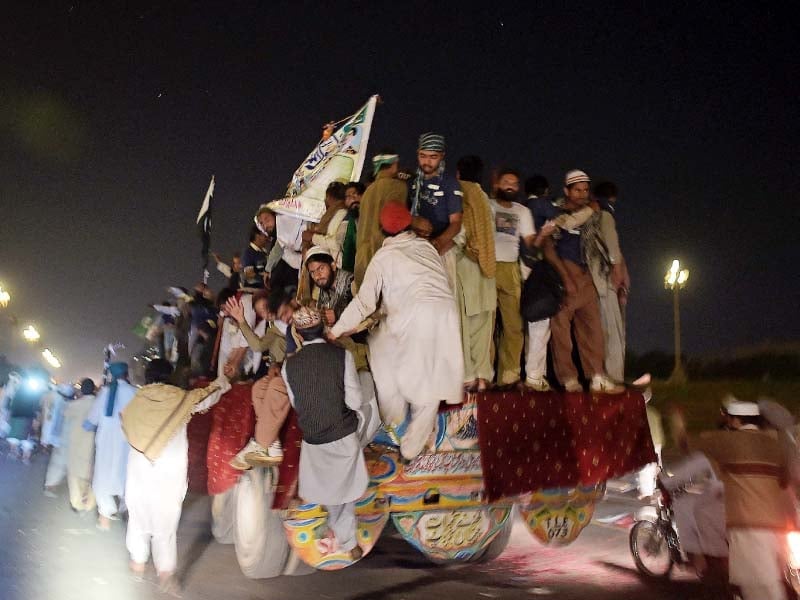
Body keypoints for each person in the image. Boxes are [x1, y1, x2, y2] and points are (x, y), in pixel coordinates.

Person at [330, 202, 464, 460]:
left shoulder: (383, 257)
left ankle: (394, 412)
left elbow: (364, 302)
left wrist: (336, 330)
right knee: (430, 383)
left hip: (416, 314)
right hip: (445, 313)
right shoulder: (426, 247)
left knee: (379, 346)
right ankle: (411, 448)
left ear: (383, 231)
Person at [121, 359, 230, 595]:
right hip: (169, 472)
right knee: (166, 522)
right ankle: (166, 573)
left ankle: (138, 563)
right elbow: (209, 396)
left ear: (148, 376)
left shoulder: (136, 401)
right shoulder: (181, 397)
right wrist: (224, 379)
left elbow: (126, 428)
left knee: (138, 517)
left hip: (140, 468)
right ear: (170, 375)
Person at [671, 398, 797, 600]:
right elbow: (785, 480)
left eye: (729, 420)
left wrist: (677, 418)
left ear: (735, 421)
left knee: (760, 587)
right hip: (779, 526)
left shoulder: (729, 441)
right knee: (769, 581)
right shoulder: (775, 441)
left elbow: (684, 442)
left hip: (750, 526)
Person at [282, 307, 369, 559]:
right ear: (324, 329)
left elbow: (298, 405)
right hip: (344, 437)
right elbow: (354, 403)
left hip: (314, 442)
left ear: (298, 333)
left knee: (335, 489)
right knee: (367, 386)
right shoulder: (342, 355)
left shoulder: (289, 366)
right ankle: (346, 539)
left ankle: (346, 539)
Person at [542, 170, 623, 393]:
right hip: (564, 272)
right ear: (567, 191)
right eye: (577, 190)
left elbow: (605, 242)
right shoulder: (555, 211)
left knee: (593, 330)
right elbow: (548, 246)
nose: (582, 194)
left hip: (587, 274)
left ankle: (597, 377)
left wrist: (616, 267)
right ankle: (568, 379)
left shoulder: (594, 214)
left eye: (586, 190)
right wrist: (565, 277)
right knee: (561, 331)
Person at [227, 289, 298, 468]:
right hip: (282, 369)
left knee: (275, 386)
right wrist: (242, 321)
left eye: (266, 308)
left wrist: (279, 365)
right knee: (258, 388)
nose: (265, 313)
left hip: (296, 370)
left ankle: (259, 443)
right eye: (260, 312)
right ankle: (272, 444)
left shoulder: (299, 315)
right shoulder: (274, 328)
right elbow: (258, 346)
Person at [454, 156, 496, 391]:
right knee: (482, 324)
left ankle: (467, 375)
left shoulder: (463, 193)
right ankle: (482, 375)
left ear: (459, 173)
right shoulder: (486, 200)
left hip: (465, 263)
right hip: (487, 266)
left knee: (462, 322)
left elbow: (461, 229)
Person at [85, 362, 138, 530]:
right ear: (126, 375)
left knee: (102, 478)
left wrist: (87, 426)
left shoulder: (105, 392)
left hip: (106, 442)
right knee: (126, 476)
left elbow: (91, 420)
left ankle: (105, 519)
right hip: (128, 443)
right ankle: (127, 511)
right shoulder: (135, 392)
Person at [409, 132, 463, 290]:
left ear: (442, 156)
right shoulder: (412, 182)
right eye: (423, 156)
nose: (427, 161)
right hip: (414, 248)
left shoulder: (450, 184)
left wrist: (437, 243)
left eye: (433, 157)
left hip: (440, 252)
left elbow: (456, 223)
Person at [588, 180, 629, 381]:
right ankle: (614, 376)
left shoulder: (586, 215)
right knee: (612, 330)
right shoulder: (605, 216)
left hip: (589, 281)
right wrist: (619, 274)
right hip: (604, 282)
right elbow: (613, 251)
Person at [353, 150, 408, 288]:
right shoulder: (398, 187)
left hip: (363, 263)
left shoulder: (367, 192)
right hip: (383, 259)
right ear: (394, 165)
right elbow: (396, 222)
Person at [63, 378, 97, 513]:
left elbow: (65, 416)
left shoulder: (74, 404)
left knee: (74, 474)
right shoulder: (98, 404)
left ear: (81, 390)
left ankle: (77, 503)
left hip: (76, 443)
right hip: (92, 444)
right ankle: (89, 502)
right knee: (91, 474)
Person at [302, 181, 349, 264]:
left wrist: (313, 237)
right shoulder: (332, 214)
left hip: (339, 265)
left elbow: (337, 243)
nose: (324, 200)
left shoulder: (341, 213)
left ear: (329, 197)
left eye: (326, 197)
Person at [43, 383, 74, 497]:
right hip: (62, 438)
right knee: (58, 463)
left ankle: (51, 485)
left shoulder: (57, 401)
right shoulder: (64, 404)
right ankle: (50, 487)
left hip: (57, 437)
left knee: (56, 462)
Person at [341, 182, 365, 273]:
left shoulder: (373, 216)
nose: (353, 198)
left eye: (356, 194)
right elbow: (348, 250)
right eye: (348, 196)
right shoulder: (352, 221)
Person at [242, 225, 271, 289]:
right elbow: (249, 274)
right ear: (257, 236)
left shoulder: (263, 252)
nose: (267, 238)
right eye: (265, 235)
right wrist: (266, 278)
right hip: (259, 291)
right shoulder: (248, 253)